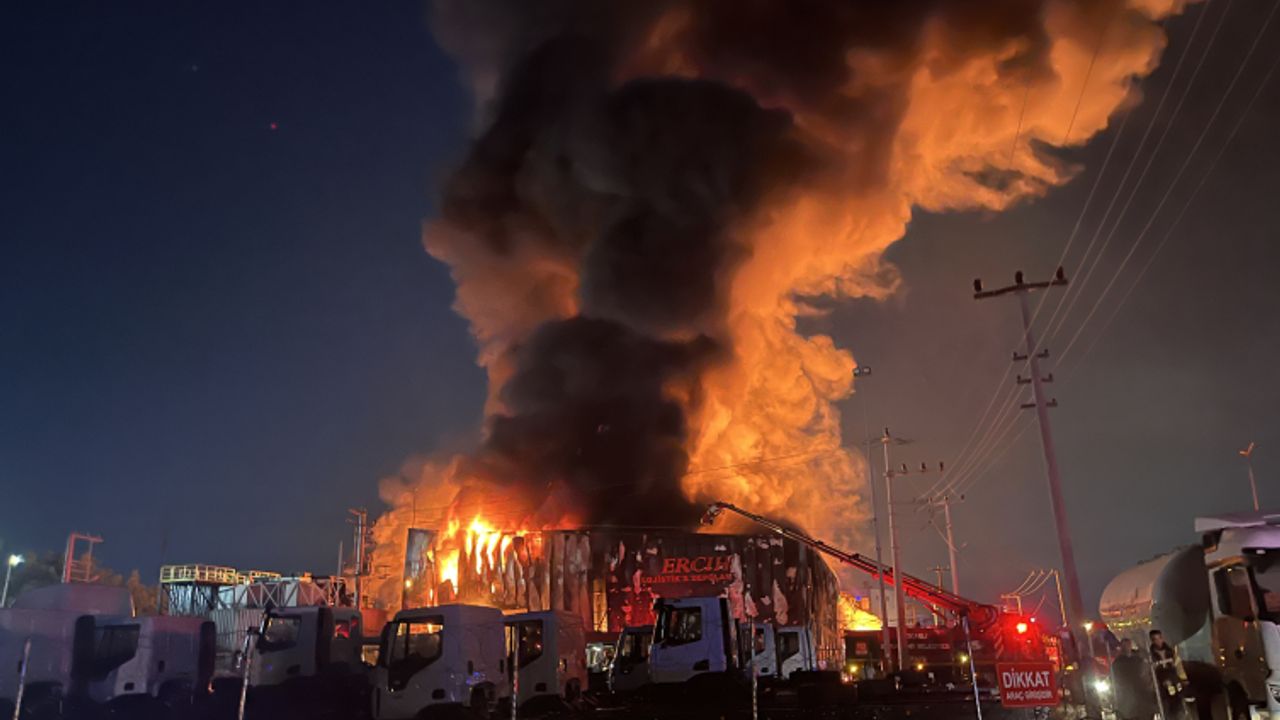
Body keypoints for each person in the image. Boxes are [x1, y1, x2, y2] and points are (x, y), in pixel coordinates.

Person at [1113, 639, 1158, 720]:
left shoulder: (1138, 659)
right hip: (1129, 696)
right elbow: (1117, 679)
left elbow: (1146, 671)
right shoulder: (1118, 662)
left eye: (1128, 645)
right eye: (1124, 645)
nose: (1127, 647)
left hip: (1142, 695)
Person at [1150, 629, 1182, 718]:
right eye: (1155, 639)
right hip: (1161, 681)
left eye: (1159, 638)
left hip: (1173, 678)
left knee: (1177, 700)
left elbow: (1177, 664)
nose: (1158, 641)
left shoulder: (1170, 651)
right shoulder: (1150, 654)